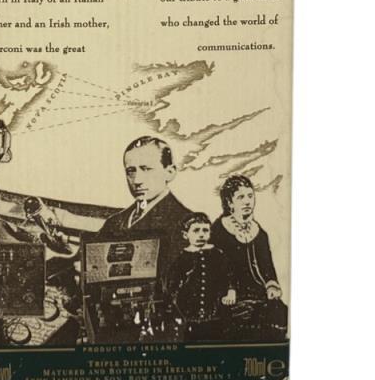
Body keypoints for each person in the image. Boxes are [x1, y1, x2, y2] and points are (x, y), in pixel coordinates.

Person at [97, 136, 201, 268]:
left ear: (170, 172)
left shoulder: (187, 224)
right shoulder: (114, 222)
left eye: (146, 169)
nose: (137, 180)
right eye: (131, 171)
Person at [211, 174, 286, 336]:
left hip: (258, 293)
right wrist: (229, 289)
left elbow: (267, 266)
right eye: (241, 197)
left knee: (280, 314)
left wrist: (271, 285)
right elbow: (217, 268)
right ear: (229, 202)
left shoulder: (260, 233)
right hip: (229, 296)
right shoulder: (218, 231)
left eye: (250, 196)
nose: (247, 202)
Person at [163, 212, 229, 329]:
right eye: (196, 230)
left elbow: (228, 274)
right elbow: (172, 285)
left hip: (216, 312)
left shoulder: (218, 254)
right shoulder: (181, 258)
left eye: (205, 230)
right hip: (189, 314)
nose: (201, 234)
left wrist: (231, 290)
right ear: (185, 235)